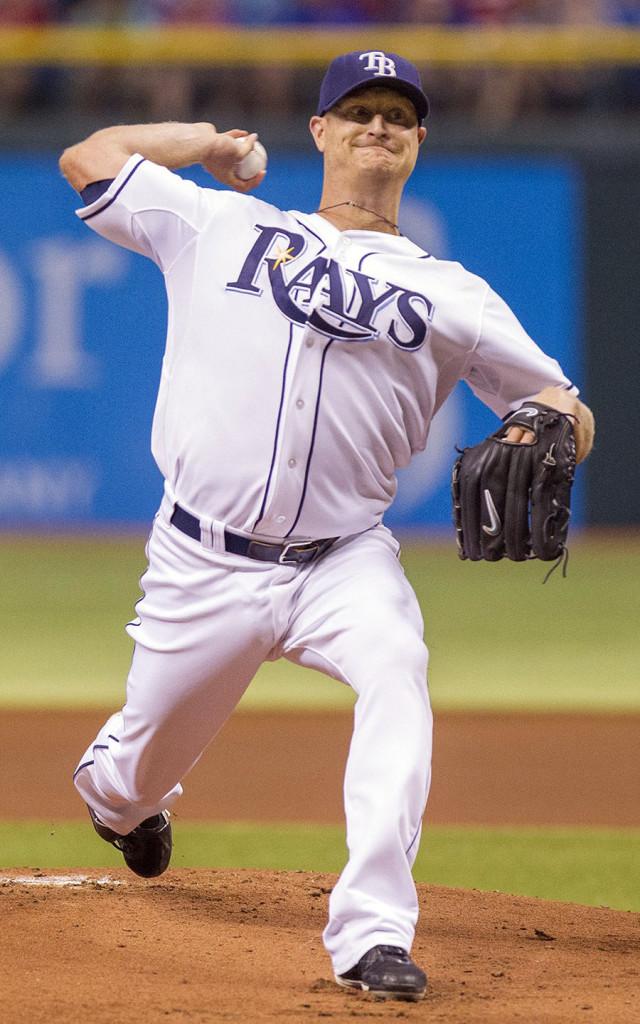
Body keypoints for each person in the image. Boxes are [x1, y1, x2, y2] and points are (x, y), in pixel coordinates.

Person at [59, 50, 594, 1002]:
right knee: (129, 782)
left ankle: (371, 935)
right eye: (357, 110)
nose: (377, 126)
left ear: (419, 140)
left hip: (343, 559)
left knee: (398, 667)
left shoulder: (453, 294)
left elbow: (566, 403)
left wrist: (551, 424)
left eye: (397, 113)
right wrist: (207, 145)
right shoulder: (220, 223)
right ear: (320, 130)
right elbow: (89, 156)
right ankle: (124, 800)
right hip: (201, 561)